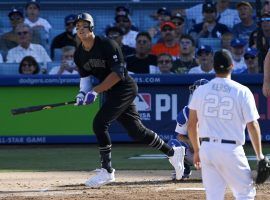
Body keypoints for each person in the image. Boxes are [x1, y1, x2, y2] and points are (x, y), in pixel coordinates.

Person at [73, 12, 185, 187]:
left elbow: (118, 74)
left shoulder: (107, 45)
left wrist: (95, 91)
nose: (81, 29)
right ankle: (173, 153)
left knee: (99, 124)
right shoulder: (79, 53)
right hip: (110, 91)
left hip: (124, 88)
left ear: (91, 27)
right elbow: (85, 78)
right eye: (78, 26)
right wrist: (82, 93)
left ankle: (107, 171)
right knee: (136, 131)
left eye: (84, 25)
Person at [188, 49, 265, 200]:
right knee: (245, 194)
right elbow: (253, 125)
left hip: (207, 149)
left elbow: (191, 125)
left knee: (213, 196)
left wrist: (197, 150)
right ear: (232, 66)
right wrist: (259, 155)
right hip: (231, 149)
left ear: (214, 66)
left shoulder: (201, 90)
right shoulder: (242, 91)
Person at [168, 79, 209, 180]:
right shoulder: (187, 111)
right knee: (173, 145)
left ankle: (219, 170)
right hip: (195, 149)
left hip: (213, 151)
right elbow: (180, 136)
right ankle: (184, 169)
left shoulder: (218, 110)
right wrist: (193, 145)